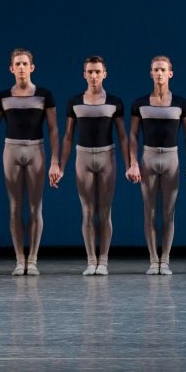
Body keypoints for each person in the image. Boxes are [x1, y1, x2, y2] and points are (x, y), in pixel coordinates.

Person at [0, 48, 60, 275]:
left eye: (25, 64)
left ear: (32, 67)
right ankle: (19, 259)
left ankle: (32, 259)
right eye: (17, 64)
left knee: (36, 207)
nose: (21, 68)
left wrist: (55, 161)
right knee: (15, 207)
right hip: (11, 151)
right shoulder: (3, 97)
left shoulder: (45, 95)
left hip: (36, 150)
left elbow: (54, 129)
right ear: (11, 69)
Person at [55, 56, 130, 275]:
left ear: (105, 74)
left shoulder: (115, 102)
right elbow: (68, 137)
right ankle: (91, 260)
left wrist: (130, 165)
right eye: (90, 72)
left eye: (98, 72)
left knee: (105, 211)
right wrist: (60, 167)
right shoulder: (74, 102)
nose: (94, 76)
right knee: (87, 211)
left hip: (107, 157)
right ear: (84, 75)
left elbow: (123, 136)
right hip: (83, 157)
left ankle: (103, 261)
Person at [126, 56, 186, 275]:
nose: (160, 73)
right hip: (148, 159)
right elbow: (133, 135)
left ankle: (165, 261)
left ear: (170, 73)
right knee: (150, 212)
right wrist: (133, 163)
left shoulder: (181, 104)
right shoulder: (140, 104)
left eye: (163, 70)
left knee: (168, 213)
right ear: (151, 74)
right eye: (156, 70)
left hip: (172, 159)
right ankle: (153, 260)